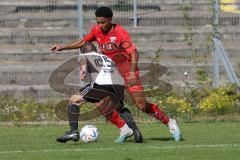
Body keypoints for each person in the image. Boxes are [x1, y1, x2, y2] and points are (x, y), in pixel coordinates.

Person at [51, 6, 180, 141]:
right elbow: (84, 41)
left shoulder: (120, 33)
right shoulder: (96, 30)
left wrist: (131, 72)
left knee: (141, 105)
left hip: (128, 72)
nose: (100, 26)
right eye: (98, 22)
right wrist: (63, 47)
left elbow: (133, 52)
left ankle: (169, 122)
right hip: (112, 73)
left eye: (103, 22)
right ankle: (125, 129)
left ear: (110, 20)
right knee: (102, 103)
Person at [56, 42, 142, 143]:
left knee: (74, 100)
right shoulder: (106, 57)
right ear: (95, 50)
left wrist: (83, 70)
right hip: (119, 85)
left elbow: (83, 61)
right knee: (119, 107)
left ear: (83, 51)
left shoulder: (83, 55)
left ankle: (73, 131)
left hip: (102, 84)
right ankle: (135, 130)